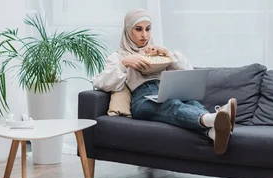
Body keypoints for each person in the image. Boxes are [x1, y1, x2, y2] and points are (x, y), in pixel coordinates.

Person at [92, 9, 237, 155]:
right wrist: (124, 63)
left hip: (167, 90)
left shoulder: (157, 51)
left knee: (192, 103)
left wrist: (167, 54)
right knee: (171, 105)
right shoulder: (119, 56)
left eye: (148, 29)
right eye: (138, 29)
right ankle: (212, 118)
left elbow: (188, 70)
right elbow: (101, 83)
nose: (144, 35)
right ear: (128, 31)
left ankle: (212, 132)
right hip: (142, 99)